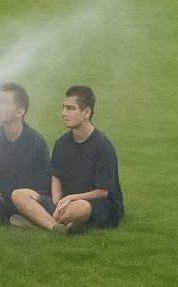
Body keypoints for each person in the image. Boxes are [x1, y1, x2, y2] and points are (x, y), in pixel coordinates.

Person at [10, 86, 123, 234]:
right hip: (64, 203)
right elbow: (56, 176)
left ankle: (39, 221)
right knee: (18, 194)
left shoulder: (103, 146)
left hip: (97, 205)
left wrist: (71, 198)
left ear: (86, 113)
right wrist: (57, 202)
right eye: (63, 108)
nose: (64, 113)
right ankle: (56, 227)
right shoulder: (62, 143)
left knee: (81, 207)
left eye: (70, 108)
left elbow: (102, 192)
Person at [0, 83, 50, 223]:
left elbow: (42, 187)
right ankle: (23, 220)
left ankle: (34, 219)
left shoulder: (36, 142)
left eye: (3, 102)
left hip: (29, 200)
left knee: (21, 198)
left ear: (19, 112)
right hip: (0, 201)